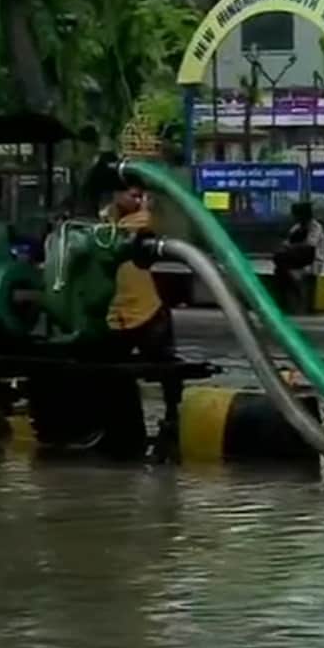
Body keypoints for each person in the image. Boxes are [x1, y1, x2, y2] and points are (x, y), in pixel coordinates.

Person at [94, 163, 182, 451]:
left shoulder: (144, 223)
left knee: (167, 368)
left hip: (147, 310)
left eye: (140, 196)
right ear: (115, 195)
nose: (136, 200)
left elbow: (145, 226)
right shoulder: (102, 224)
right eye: (131, 195)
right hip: (115, 312)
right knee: (110, 374)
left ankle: (172, 420)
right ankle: (121, 431)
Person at [272, 201, 324, 314]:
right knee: (279, 267)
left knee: (287, 257)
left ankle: (297, 294)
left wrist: (291, 248)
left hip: (312, 261)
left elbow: (310, 246)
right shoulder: (296, 228)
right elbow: (286, 243)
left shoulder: (316, 227)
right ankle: (285, 304)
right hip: (297, 259)